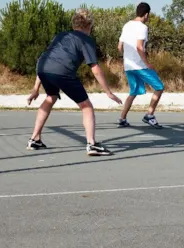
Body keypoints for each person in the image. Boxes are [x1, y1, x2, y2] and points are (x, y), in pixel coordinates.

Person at [26, 8, 122, 155]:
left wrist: (35, 88)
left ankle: (34, 139)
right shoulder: (86, 40)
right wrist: (108, 92)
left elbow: (46, 58)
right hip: (62, 71)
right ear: (89, 26)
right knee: (86, 106)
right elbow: (95, 68)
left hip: (42, 67)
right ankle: (92, 144)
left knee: (50, 97)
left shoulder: (62, 35)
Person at [117, 2, 165, 129]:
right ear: (147, 14)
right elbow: (139, 47)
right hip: (140, 66)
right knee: (159, 87)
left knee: (133, 92)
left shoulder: (126, 25)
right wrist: (147, 63)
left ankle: (122, 118)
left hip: (128, 66)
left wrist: (127, 58)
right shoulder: (142, 27)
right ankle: (149, 115)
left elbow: (119, 47)